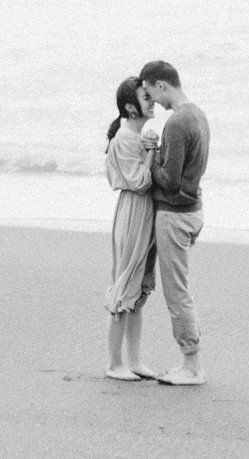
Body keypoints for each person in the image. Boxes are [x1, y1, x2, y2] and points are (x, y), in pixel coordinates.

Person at [139, 60, 210, 385]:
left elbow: (168, 180)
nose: (153, 102)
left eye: (152, 93)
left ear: (161, 84)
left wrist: (149, 158)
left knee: (176, 293)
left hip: (175, 215)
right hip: (193, 210)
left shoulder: (178, 123)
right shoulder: (198, 115)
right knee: (179, 290)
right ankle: (189, 362)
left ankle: (192, 365)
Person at [101, 75, 158, 380]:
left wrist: (149, 146)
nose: (151, 102)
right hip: (134, 211)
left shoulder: (136, 136)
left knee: (137, 291)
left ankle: (134, 360)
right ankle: (114, 363)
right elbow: (138, 181)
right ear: (130, 107)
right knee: (125, 286)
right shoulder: (125, 138)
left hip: (143, 212)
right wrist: (150, 151)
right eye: (145, 97)